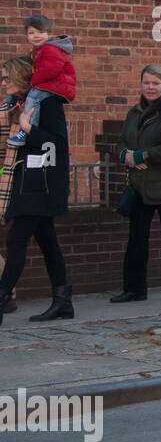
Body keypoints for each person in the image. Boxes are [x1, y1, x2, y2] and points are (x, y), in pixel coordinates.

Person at [0, 56, 73, 323]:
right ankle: (63, 301)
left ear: (20, 77)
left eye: (7, 77)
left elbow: (58, 145)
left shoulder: (47, 102)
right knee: (47, 242)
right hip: (25, 181)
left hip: (41, 184)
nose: (3, 82)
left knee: (16, 241)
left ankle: (2, 297)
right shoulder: (16, 104)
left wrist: (29, 130)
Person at [109, 65, 161, 302]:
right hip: (140, 186)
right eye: (146, 83)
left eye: (155, 83)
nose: (150, 87)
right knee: (136, 238)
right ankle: (134, 289)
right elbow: (121, 141)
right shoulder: (134, 113)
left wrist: (141, 156)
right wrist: (127, 157)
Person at [4, 15, 76, 149]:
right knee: (27, 96)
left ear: (49, 33)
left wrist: (33, 81)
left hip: (55, 86)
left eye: (40, 32)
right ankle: (10, 106)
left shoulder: (50, 49)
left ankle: (26, 131)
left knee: (32, 99)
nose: (36, 36)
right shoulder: (36, 51)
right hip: (48, 85)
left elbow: (50, 70)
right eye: (31, 33)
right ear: (26, 36)